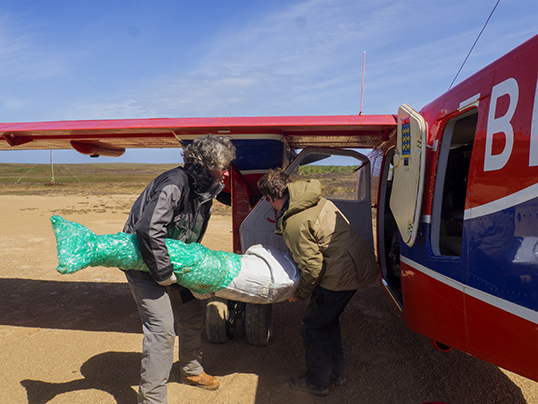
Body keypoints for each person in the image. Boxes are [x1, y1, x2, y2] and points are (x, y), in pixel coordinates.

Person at [122, 134, 236, 404]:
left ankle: (191, 370)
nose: (226, 173)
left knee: (192, 315)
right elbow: (148, 230)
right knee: (162, 331)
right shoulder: (174, 184)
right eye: (222, 168)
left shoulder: (204, 186)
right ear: (205, 165)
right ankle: (152, 400)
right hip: (145, 264)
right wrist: (163, 274)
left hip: (175, 261)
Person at [257, 168, 378, 397]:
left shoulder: (295, 221)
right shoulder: (313, 199)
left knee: (312, 326)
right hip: (355, 265)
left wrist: (300, 293)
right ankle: (335, 374)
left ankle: (317, 381)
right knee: (327, 321)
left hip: (341, 274)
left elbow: (313, 268)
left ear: (270, 198)